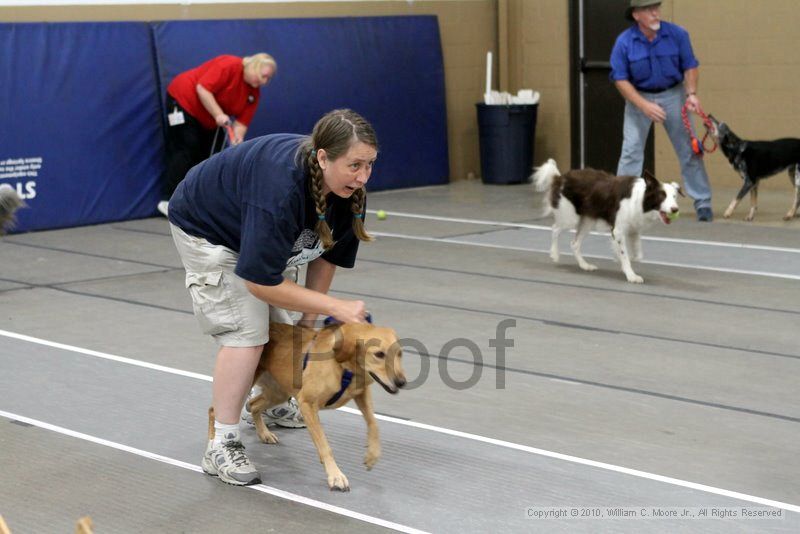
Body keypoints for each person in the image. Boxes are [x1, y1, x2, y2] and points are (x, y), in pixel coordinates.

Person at [168, 108, 377, 486]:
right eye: (355, 165)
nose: (363, 176)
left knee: (285, 332)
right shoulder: (279, 190)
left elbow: (326, 252)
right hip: (209, 229)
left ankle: (272, 403)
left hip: (253, 230)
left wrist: (311, 322)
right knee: (247, 334)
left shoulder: (349, 190)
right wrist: (334, 307)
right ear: (323, 157)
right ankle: (221, 443)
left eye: (370, 165)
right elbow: (259, 282)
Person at [610, 0, 714, 222]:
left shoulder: (677, 34)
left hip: (674, 94)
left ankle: (703, 201)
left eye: (657, 7)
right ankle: (621, 203)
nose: (656, 13)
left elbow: (690, 65)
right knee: (631, 151)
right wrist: (644, 105)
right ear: (637, 15)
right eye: (649, 9)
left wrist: (691, 94)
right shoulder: (624, 42)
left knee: (689, 149)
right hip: (639, 97)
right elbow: (620, 79)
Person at [158, 53, 277, 216]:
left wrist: (237, 139)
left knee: (209, 156)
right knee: (186, 147)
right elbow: (203, 88)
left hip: (210, 117)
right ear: (254, 66)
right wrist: (218, 114)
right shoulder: (229, 65)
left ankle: (193, 202)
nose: (264, 82)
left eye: (268, 79)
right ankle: (169, 200)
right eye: (263, 76)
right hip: (184, 101)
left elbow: (241, 124)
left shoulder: (253, 94)